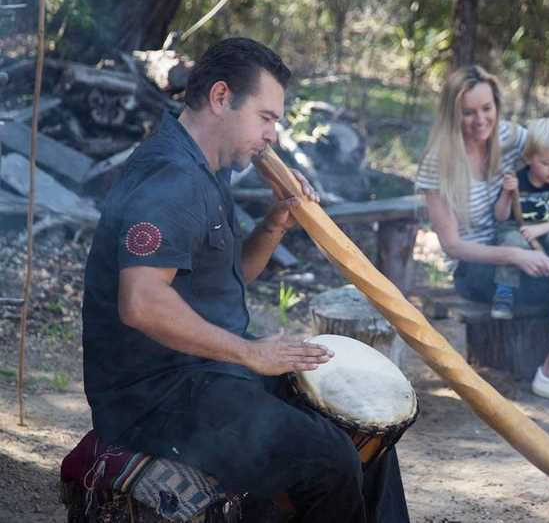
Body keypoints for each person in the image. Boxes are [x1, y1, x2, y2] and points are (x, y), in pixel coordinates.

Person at [82, 37, 410, 522]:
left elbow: (231, 275)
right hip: (155, 396)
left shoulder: (208, 170)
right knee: (331, 460)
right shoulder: (169, 178)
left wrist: (276, 222)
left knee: (365, 434)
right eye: (266, 117)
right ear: (220, 98)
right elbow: (142, 302)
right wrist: (252, 353)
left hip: (211, 372)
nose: (273, 134)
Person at [417, 65, 549, 410]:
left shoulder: (510, 137)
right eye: (468, 112)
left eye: (487, 109)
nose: (480, 120)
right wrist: (515, 256)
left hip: (532, 241)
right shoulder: (437, 163)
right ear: (452, 113)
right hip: (480, 269)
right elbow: (453, 246)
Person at [491, 117, 549, 319]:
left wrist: (540, 229)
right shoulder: (517, 180)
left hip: (547, 228)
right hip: (517, 228)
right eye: (546, 163)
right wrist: (506, 193)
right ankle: (504, 293)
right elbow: (500, 216)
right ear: (529, 157)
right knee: (511, 243)